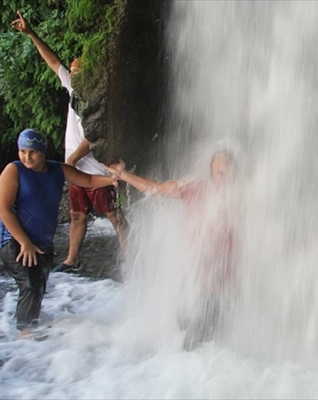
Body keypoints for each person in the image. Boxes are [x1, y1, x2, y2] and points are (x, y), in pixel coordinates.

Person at [12, 10, 128, 272]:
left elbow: (96, 132)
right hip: (76, 170)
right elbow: (53, 62)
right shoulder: (74, 88)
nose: (72, 73)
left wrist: (73, 159)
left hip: (95, 168)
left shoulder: (96, 96)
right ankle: (71, 260)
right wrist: (31, 34)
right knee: (77, 215)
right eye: (72, 70)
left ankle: (133, 260)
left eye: (77, 69)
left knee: (114, 216)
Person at [106, 149, 240, 350]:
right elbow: (156, 188)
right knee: (187, 335)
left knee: (204, 342)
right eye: (221, 171)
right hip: (194, 282)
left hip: (223, 288)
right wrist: (123, 174)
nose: (225, 176)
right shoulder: (195, 187)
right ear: (211, 171)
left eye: (230, 172)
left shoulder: (243, 196)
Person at [0, 129, 117, 339]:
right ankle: (25, 337)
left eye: (33, 152)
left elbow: (88, 181)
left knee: (39, 285)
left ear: (43, 152)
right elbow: (3, 209)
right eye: (23, 151)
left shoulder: (57, 170)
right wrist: (24, 242)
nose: (27, 157)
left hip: (42, 241)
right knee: (30, 284)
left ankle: (34, 337)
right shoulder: (14, 170)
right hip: (13, 239)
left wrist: (113, 180)